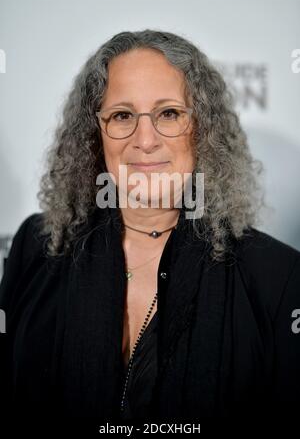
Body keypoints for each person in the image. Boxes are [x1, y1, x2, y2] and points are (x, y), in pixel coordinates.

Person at [0, 29, 300, 435]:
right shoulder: (36, 247)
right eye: (122, 115)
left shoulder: (276, 276)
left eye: (169, 114)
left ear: (203, 129)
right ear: (95, 134)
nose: (145, 140)